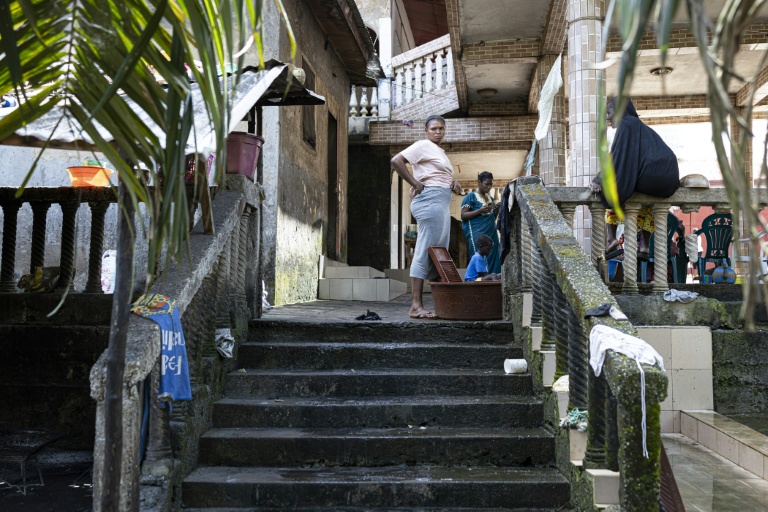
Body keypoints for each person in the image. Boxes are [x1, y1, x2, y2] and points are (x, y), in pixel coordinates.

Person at [391, 115, 462, 319]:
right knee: (426, 248)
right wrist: (415, 183)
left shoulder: (439, 152)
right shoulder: (422, 145)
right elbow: (396, 161)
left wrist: (453, 183)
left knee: (439, 250)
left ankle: (440, 303)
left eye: (441, 128)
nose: (438, 132)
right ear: (426, 131)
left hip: (439, 201)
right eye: (434, 129)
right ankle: (415, 305)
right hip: (429, 201)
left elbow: (435, 175)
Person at [590, 97, 679, 260]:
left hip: (654, 173)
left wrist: (598, 180)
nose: (608, 118)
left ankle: (611, 238)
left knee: (613, 190)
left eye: (609, 112)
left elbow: (616, 159)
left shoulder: (627, 124)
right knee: (647, 201)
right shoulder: (636, 125)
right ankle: (644, 245)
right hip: (667, 180)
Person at [461, 171, 501, 274]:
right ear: (479, 182)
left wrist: (495, 212)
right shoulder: (471, 197)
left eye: (491, 185)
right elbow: (463, 215)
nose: (489, 187)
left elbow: (491, 217)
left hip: (491, 234)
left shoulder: (490, 198)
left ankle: (493, 284)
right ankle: (479, 284)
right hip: (478, 234)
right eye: (486, 184)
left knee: (492, 257)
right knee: (479, 257)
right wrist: (479, 210)